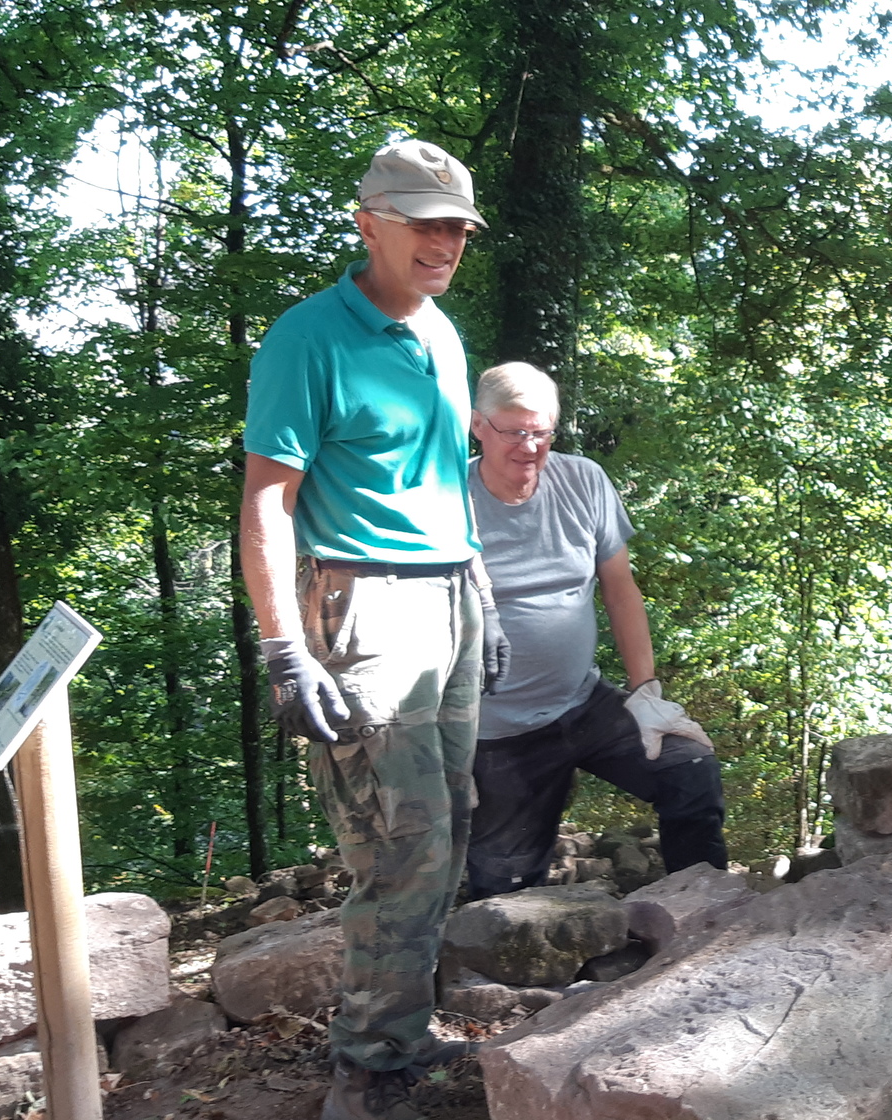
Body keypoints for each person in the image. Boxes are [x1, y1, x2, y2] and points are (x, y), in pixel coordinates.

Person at [239, 139, 504, 1120]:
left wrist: (481, 589)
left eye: (458, 227)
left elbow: (443, 477)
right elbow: (268, 500)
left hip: (450, 597)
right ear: (369, 225)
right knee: (402, 841)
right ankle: (366, 1071)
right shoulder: (307, 338)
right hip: (364, 606)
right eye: (425, 224)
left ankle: (402, 1034)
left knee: (453, 822)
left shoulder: (440, 332)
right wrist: (284, 647)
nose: (446, 243)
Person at [462, 361, 729, 901]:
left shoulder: (582, 480)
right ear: (477, 426)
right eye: (514, 432)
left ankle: (701, 915)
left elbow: (620, 589)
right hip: (497, 730)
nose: (530, 447)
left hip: (583, 703)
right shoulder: (448, 500)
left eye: (542, 432)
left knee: (689, 768)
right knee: (505, 890)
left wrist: (646, 692)